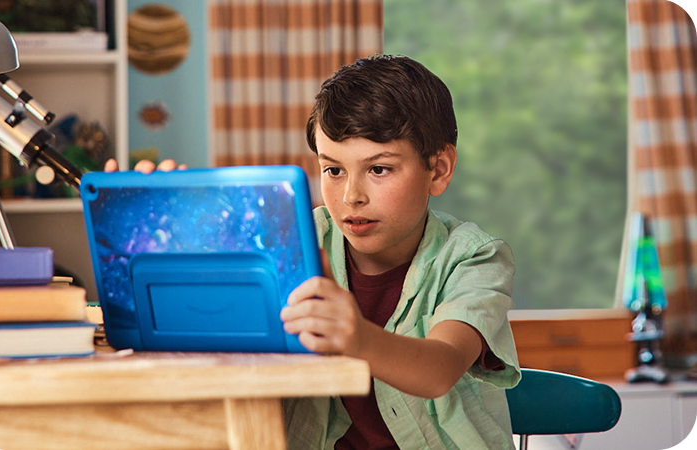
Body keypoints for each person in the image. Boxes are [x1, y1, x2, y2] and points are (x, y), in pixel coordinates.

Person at [106, 54, 520, 450]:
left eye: (379, 169)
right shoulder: (289, 242)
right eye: (333, 170)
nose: (351, 196)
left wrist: (358, 337)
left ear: (439, 169)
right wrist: (172, 235)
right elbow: (206, 332)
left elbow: (439, 368)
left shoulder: (474, 258)